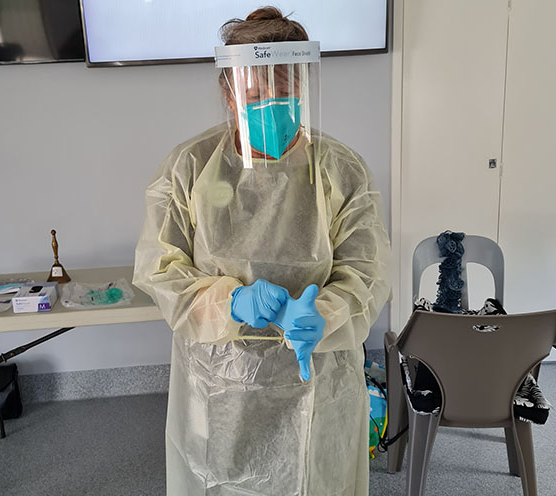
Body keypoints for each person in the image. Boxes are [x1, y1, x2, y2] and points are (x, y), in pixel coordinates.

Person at [133, 7, 391, 495]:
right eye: (256, 95)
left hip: (318, 384)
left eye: (285, 91)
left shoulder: (340, 171)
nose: (272, 105)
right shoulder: (190, 168)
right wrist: (229, 301)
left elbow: (368, 271)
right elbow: (160, 270)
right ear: (229, 94)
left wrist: (325, 314)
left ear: (303, 89)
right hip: (220, 390)